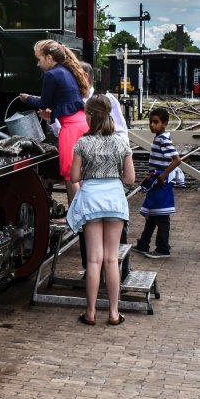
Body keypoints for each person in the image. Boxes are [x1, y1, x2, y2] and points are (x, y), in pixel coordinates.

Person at [65, 95, 135, 325]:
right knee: (112, 260)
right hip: (114, 199)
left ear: (89, 116)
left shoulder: (82, 143)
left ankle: (91, 312)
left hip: (91, 201)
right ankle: (114, 313)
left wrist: (89, 175)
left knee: (94, 260)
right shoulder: (121, 142)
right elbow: (130, 179)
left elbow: (74, 176)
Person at [20, 41, 90, 203]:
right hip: (82, 124)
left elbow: (43, 104)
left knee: (70, 174)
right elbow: (64, 100)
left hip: (70, 129)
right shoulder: (66, 71)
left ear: (49, 58)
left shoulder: (51, 75)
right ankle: (84, 214)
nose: (38, 64)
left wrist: (27, 98)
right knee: (81, 173)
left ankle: (75, 216)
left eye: (39, 59)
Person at [132, 107, 181, 259]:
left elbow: (176, 159)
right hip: (156, 179)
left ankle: (163, 248)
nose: (152, 125)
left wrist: (163, 175)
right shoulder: (160, 137)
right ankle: (143, 243)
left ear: (165, 123)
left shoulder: (163, 139)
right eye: (151, 122)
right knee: (152, 213)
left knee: (161, 215)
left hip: (160, 181)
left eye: (156, 122)